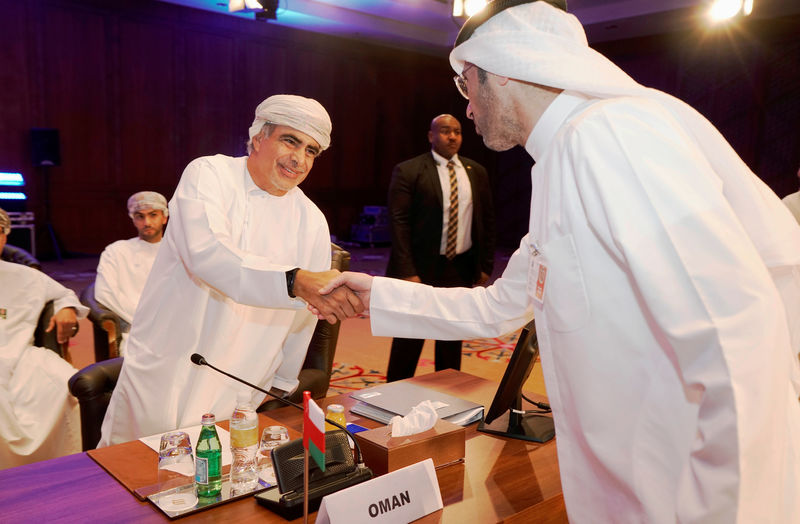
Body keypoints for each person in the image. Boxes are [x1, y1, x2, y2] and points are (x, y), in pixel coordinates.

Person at [317, 2, 800, 522]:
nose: (470, 109)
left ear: (498, 70)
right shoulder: (559, 161)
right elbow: (501, 306)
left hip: (683, 491)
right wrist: (378, 294)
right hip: (624, 483)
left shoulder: (608, 136)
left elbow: (732, 334)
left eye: (466, 85)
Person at [99, 94, 362, 446]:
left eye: (311, 150)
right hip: (172, 356)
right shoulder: (208, 174)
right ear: (258, 137)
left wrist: (283, 379)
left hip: (244, 370)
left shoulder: (312, 219)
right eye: (290, 141)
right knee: (135, 467)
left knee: (220, 474)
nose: (299, 159)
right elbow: (207, 253)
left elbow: (307, 312)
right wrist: (292, 280)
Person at [385, 114, 494, 380]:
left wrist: (484, 266)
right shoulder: (409, 170)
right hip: (419, 268)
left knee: (451, 336)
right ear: (431, 136)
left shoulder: (475, 172)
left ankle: (449, 390)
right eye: (445, 131)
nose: (453, 136)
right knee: (410, 336)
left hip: (459, 266)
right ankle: (395, 392)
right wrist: (407, 270)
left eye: (457, 131)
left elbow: (486, 220)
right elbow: (398, 223)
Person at [0, 207, 87, 467]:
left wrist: (66, 310)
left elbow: (65, 294)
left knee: (64, 384)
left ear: (4, 237)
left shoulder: (25, 276)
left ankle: (66, 468)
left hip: (20, 354)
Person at [94, 191, 168, 355]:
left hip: (174, 326)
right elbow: (104, 294)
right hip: (136, 329)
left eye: (153, 215)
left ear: (164, 217)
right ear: (133, 219)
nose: (146, 222)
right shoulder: (116, 251)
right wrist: (144, 321)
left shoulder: (178, 252)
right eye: (140, 216)